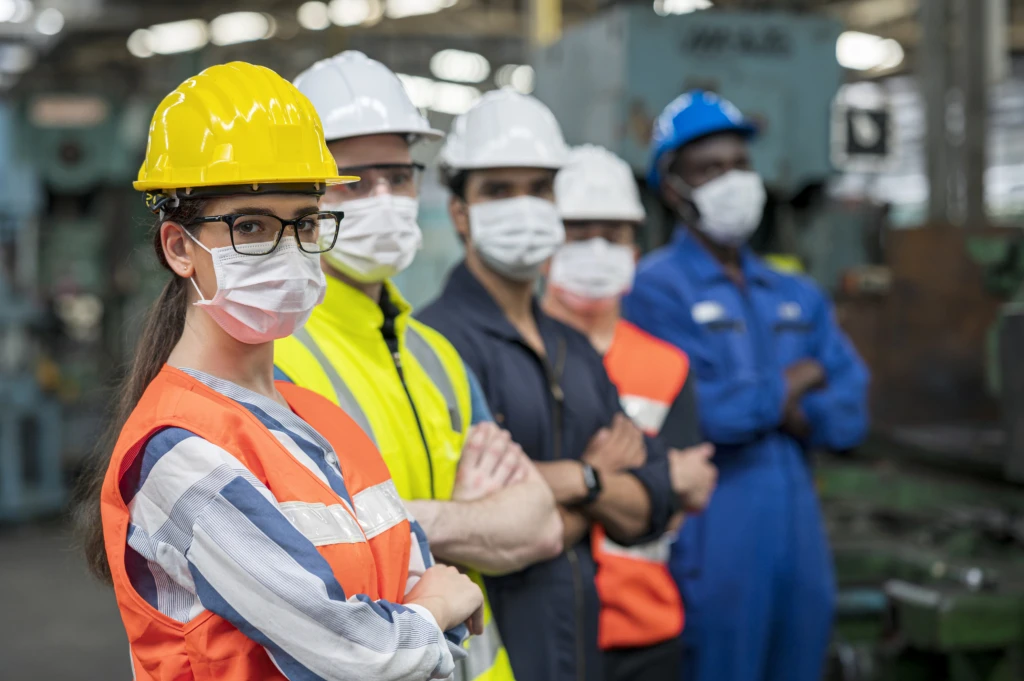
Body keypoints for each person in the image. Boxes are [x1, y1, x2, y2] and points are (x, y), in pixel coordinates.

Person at [74, 62, 484, 681]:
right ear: (179, 247)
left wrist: (416, 623)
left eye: (307, 222)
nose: (289, 251)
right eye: (253, 227)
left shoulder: (320, 418)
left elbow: (405, 600)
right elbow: (366, 658)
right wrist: (434, 615)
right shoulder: (178, 453)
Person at [275, 51, 563, 681]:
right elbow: (314, 560)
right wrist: (473, 519)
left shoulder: (437, 353)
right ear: (298, 196)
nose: (384, 198)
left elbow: (540, 524)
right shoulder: (273, 364)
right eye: (354, 180)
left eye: (398, 177)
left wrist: (404, 522)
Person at [419, 89, 675, 681]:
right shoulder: (435, 346)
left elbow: (651, 504)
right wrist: (592, 478)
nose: (524, 207)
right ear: (460, 212)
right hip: (494, 653)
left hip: (583, 647)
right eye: (498, 191)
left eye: (538, 188)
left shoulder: (573, 347)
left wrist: (549, 487)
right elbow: (466, 531)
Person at [622, 90, 870, 681]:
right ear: (675, 190)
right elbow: (699, 412)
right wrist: (790, 385)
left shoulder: (794, 291)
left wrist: (783, 408)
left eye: (740, 165)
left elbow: (852, 407)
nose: (731, 180)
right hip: (716, 532)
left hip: (801, 532)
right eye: (710, 169)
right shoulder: (653, 291)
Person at [541, 145, 719, 681]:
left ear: (635, 248)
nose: (597, 248)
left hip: (646, 628)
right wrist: (632, 478)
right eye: (579, 232)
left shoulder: (667, 365)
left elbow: (689, 494)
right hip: (547, 621)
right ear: (548, 241)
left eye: (613, 234)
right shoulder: (514, 356)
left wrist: (573, 477)